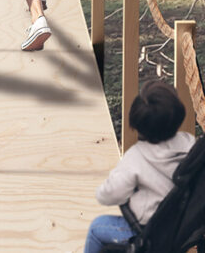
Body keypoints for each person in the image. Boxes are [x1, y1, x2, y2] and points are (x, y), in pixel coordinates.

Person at [82, 79, 195, 253]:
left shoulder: (136, 157)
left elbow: (110, 195)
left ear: (137, 123)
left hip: (148, 233)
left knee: (97, 228)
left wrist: (103, 189)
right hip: (182, 228)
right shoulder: (190, 143)